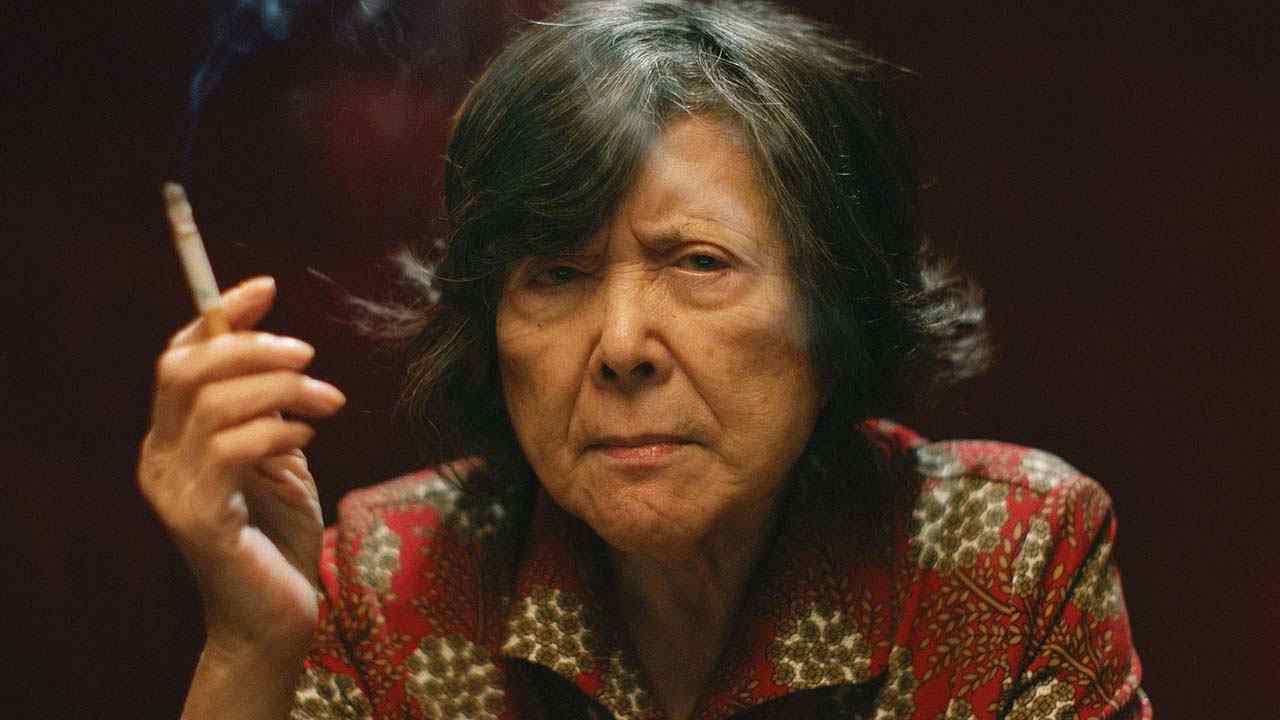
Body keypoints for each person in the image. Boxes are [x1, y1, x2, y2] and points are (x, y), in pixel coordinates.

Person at [138, 1, 1151, 718]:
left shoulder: (1002, 558)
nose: (621, 346)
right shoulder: (393, 578)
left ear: (833, 307)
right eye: (555, 275)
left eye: (698, 263)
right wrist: (251, 649)